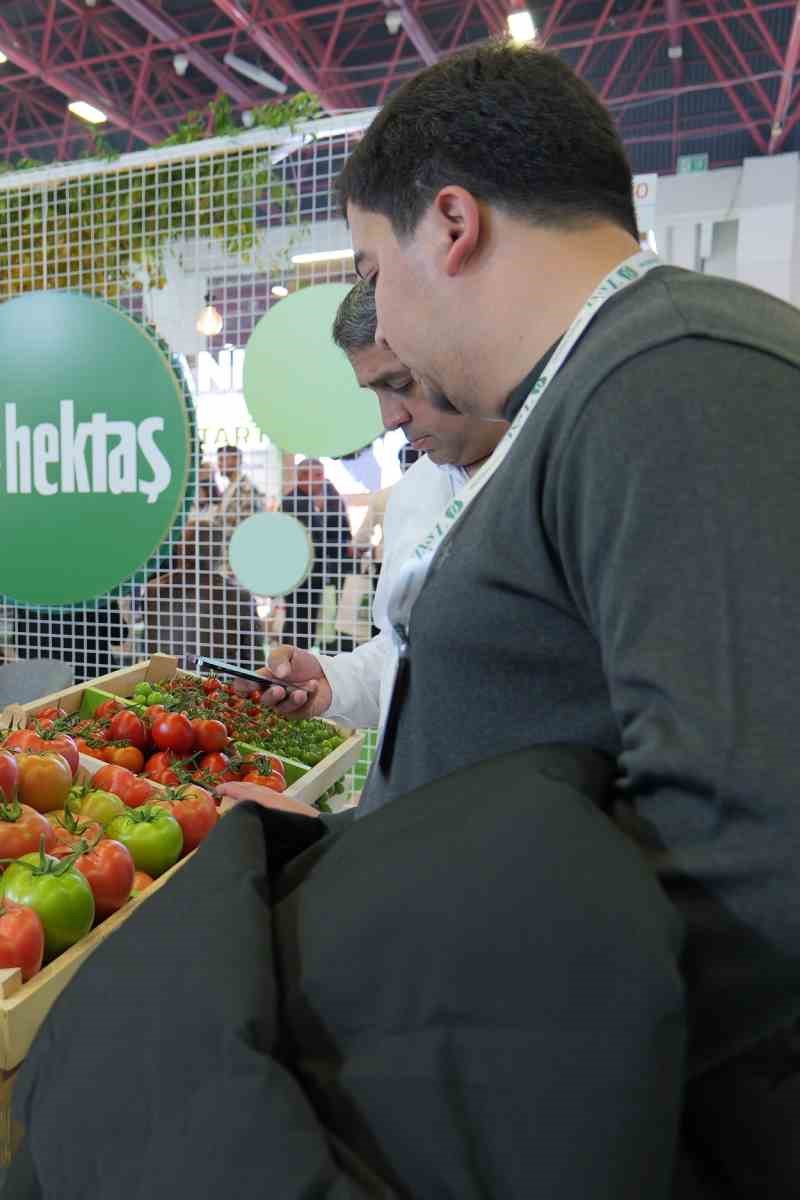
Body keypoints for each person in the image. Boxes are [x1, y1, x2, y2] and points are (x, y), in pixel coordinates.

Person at [245, 42, 800, 1192]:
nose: (386, 323)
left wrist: (487, 1072)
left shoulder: (676, 379)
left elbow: (753, 847)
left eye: (373, 265)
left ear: (451, 225)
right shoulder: (605, 387)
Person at [238, 280, 504, 741]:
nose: (390, 418)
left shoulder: (571, 473)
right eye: (375, 393)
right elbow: (400, 651)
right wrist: (331, 682)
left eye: (401, 384)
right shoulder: (413, 494)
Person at [275, 457, 350, 649]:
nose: (322, 480)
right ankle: (292, 659)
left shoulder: (304, 501)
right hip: (302, 577)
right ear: (302, 477)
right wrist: (344, 546)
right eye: (317, 475)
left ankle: (294, 658)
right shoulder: (296, 502)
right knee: (300, 623)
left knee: (302, 622)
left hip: (306, 575)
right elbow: (316, 540)